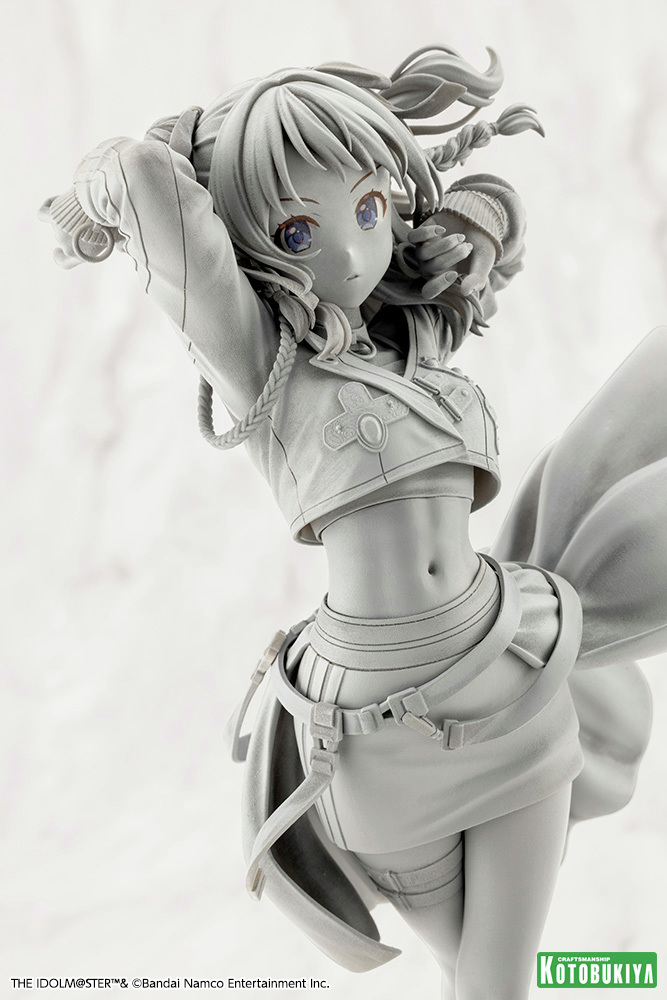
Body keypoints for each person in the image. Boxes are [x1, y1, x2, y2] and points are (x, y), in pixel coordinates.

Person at [41, 46, 666, 1000]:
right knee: (480, 974)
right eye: (298, 230)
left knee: (493, 979)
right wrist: (143, 170)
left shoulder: (411, 337)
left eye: (369, 210)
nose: (346, 254)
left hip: (508, 672)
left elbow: (491, 212)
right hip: (375, 723)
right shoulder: (263, 366)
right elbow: (141, 180)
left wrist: (470, 223)